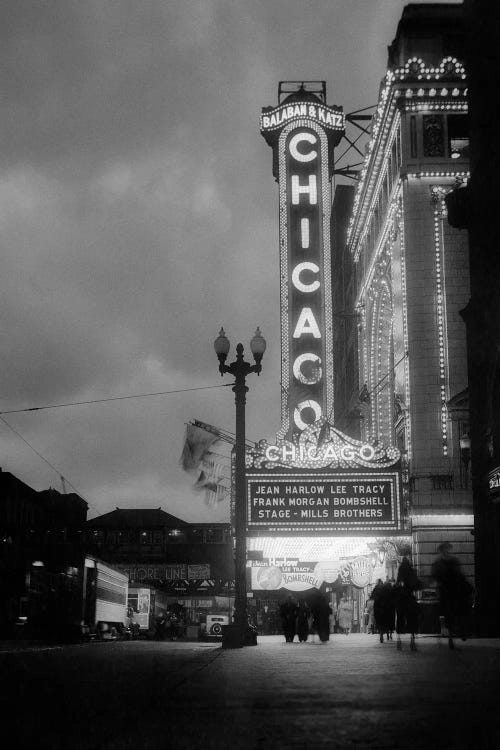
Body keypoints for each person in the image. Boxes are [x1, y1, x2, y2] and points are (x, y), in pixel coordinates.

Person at [431, 542, 473, 649]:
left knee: (456, 611)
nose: (445, 551)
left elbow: (459, 575)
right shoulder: (444, 562)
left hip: (452, 590)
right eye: (444, 549)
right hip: (448, 591)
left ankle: (459, 631)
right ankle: (452, 635)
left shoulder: (442, 562)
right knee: (450, 614)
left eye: (446, 549)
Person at [394, 556, 420, 651]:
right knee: (413, 618)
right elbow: (416, 585)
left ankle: (399, 640)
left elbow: (397, 585)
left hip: (401, 599)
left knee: (400, 618)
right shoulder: (411, 571)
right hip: (410, 598)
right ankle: (412, 640)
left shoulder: (400, 571)